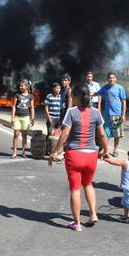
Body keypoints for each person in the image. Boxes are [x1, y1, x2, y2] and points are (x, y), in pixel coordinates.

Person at [48, 84, 108, 231]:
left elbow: (64, 134)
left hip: (74, 155)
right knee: (88, 184)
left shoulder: (71, 112)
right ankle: (93, 214)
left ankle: (77, 223)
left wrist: (55, 151)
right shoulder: (95, 112)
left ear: (75, 97)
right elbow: (102, 134)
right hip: (91, 156)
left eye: (71, 96)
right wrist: (105, 150)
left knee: (75, 189)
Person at [98, 72, 127, 156]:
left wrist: (123, 115)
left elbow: (124, 101)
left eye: (113, 77)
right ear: (107, 79)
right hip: (107, 114)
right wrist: (87, 94)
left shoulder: (120, 88)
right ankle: (105, 150)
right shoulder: (105, 87)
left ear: (116, 78)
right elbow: (98, 93)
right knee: (106, 133)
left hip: (117, 114)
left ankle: (115, 150)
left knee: (116, 133)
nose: (111, 79)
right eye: (110, 78)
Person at [11, 80, 35, 158]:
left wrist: (32, 118)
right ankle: (15, 152)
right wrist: (12, 117)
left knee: (24, 135)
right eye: (20, 86)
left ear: (27, 87)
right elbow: (14, 106)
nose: (20, 87)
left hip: (26, 117)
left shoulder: (30, 96)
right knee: (16, 135)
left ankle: (23, 152)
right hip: (17, 117)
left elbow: (32, 108)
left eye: (22, 86)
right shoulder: (17, 95)